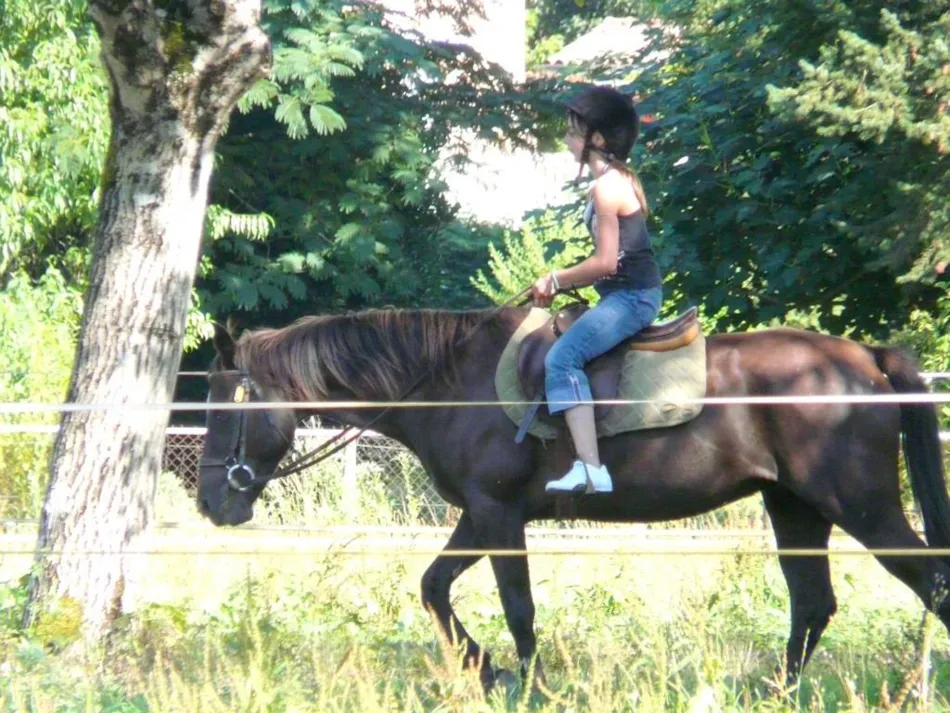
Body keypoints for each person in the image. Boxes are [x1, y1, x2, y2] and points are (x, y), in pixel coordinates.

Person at [531, 85, 663, 494]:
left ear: (598, 140)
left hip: (632, 299)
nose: (567, 139)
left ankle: (591, 470)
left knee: (562, 359)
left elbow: (606, 262)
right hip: (620, 296)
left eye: (573, 132)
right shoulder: (613, 182)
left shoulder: (608, 188)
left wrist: (555, 278)